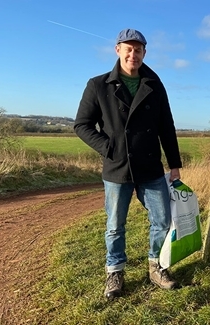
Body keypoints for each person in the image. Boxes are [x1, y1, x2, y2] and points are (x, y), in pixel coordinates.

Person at [74, 28, 182, 299]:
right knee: (115, 224)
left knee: (162, 220)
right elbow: (82, 125)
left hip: (150, 166)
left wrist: (175, 163)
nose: (133, 54)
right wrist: (107, 148)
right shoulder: (98, 85)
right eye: (128, 49)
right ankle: (115, 272)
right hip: (117, 167)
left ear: (145, 53)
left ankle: (156, 266)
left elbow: (166, 127)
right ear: (118, 50)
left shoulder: (155, 85)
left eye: (138, 49)